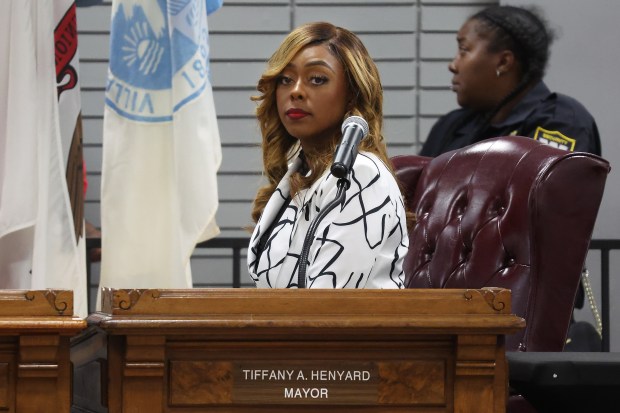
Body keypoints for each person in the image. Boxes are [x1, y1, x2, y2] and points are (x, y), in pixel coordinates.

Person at [247, 22, 409, 289]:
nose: (295, 91)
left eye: (317, 79)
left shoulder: (359, 174)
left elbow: (328, 309)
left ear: (351, 95)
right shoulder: (299, 174)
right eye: (285, 80)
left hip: (346, 331)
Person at [420, 5, 601, 157]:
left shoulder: (560, 121)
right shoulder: (452, 124)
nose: (453, 65)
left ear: (504, 62)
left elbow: (541, 196)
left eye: (464, 50)